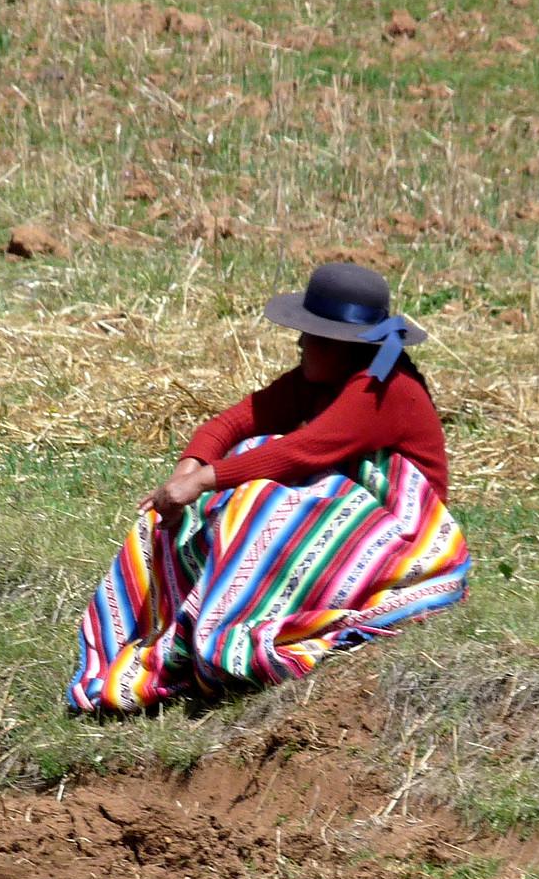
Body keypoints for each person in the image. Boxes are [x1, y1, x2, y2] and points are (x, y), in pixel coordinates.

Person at [68, 261, 471, 712]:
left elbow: (302, 451)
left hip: (402, 539)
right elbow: (236, 421)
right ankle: (169, 627)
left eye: (312, 335)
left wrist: (206, 479)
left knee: (260, 493)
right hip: (350, 512)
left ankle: (223, 637)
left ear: (344, 345)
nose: (299, 341)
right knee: (231, 471)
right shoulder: (320, 380)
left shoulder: (382, 389)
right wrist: (188, 469)